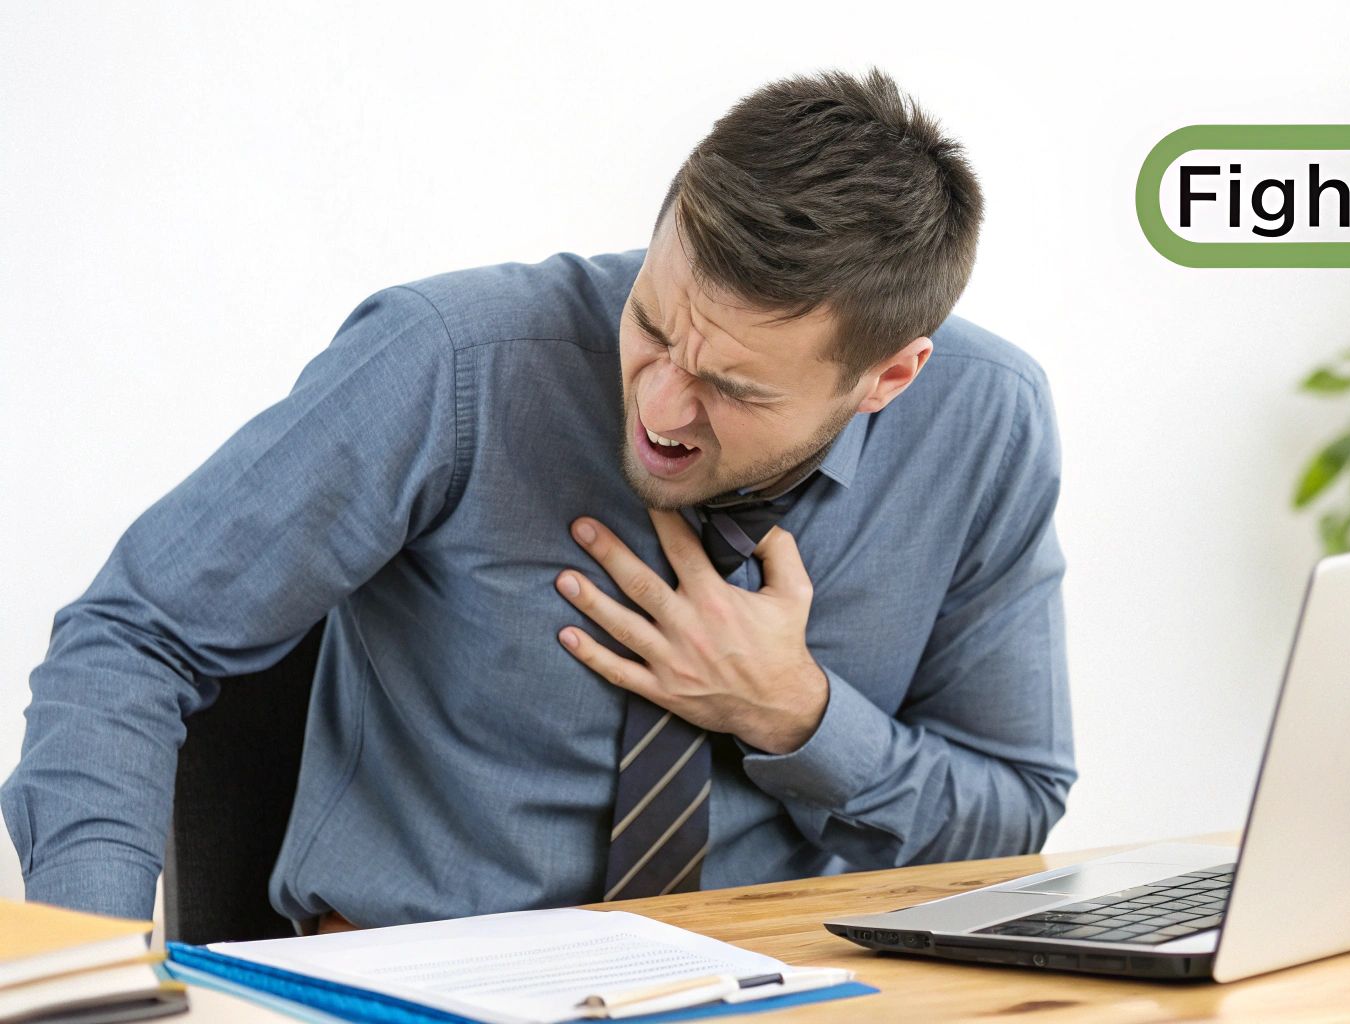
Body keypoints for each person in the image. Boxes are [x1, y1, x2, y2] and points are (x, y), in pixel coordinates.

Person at [2, 68, 1073, 932]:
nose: (659, 406)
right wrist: (82, 975)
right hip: (414, 989)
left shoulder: (983, 423)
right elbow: (135, 635)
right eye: (652, 325)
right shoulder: (450, 362)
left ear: (888, 377)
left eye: (732, 388)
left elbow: (1012, 814)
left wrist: (797, 715)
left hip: (778, 978)